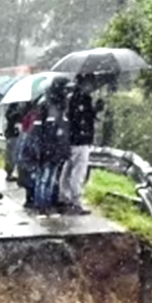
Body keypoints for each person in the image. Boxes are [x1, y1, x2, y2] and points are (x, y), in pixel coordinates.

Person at [61, 82, 100, 214]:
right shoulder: (82, 100)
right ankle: (76, 201)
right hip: (81, 141)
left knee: (68, 170)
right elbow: (82, 119)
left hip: (71, 140)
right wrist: (94, 110)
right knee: (78, 172)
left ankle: (64, 197)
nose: (92, 87)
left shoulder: (71, 98)